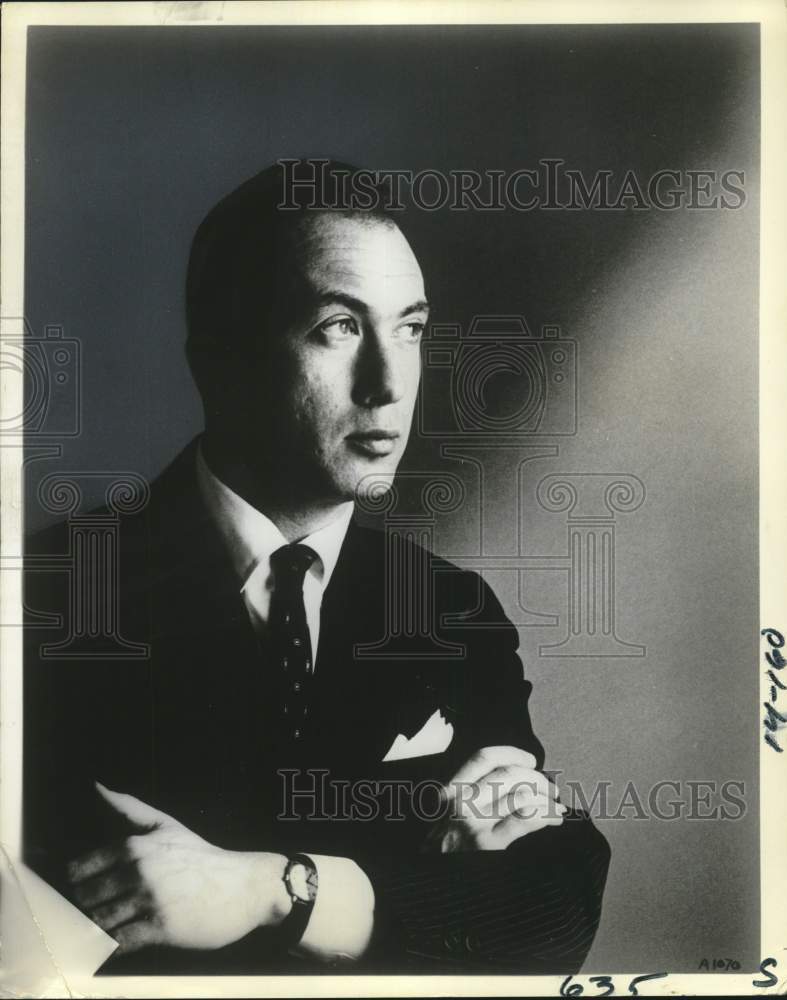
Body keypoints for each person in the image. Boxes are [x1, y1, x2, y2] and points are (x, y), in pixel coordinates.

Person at [23, 160, 610, 974]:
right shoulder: (43, 601)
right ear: (218, 357)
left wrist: (278, 889)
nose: (388, 385)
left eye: (410, 328)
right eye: (337, 326)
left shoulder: (449, 612)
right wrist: (406, 889)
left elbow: (549, 909)